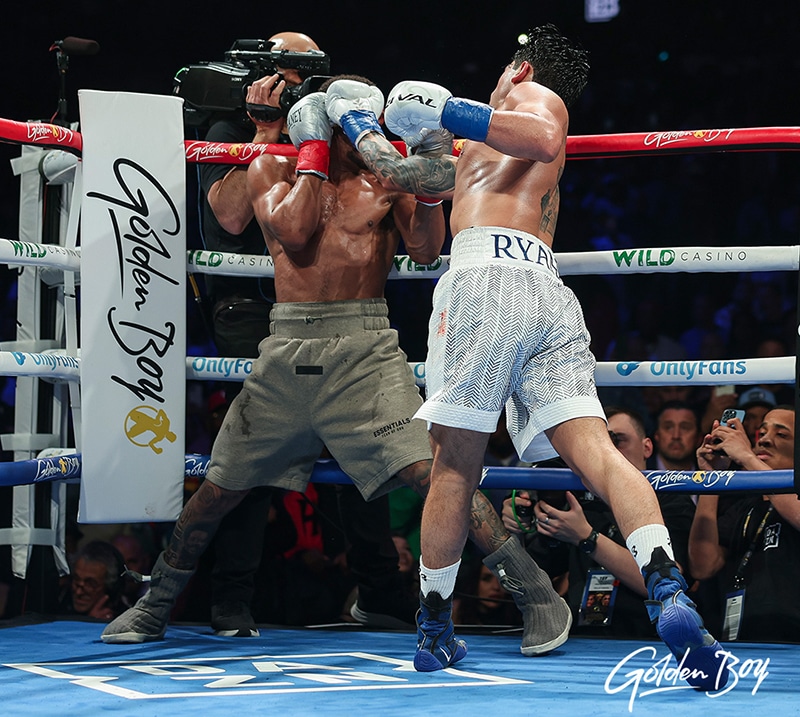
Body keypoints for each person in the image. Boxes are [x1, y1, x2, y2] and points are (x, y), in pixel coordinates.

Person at [101, 74, 570, 658]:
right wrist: (311, 152)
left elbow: (425, 249)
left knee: (436, 474)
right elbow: (294, 229)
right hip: (287, 347)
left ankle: (536, 595)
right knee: (217, 489)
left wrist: (418, 186)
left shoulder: (386, 173)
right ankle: (154, 606)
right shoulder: (274, 166)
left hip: (366, 348)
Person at [325, 24, 728, 687]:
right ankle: (666, 587)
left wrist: (448, 106)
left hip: (488, 281)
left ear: (520, 68)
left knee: (453, 461)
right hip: (540, 289)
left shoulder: (534, 102)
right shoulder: (474, 144)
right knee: (595, 450)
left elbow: (542, 137)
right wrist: (423, 162)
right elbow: (425, 244)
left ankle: (433, 625)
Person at [196, 31, 419, 635]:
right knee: (249, 463)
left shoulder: (343, 131)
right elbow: (232, 216)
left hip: (343, 315)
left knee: (363, 457)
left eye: (310, 73)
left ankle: (378, 590)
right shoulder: (232, 127)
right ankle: (230, 600)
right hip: (253, 313)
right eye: (293, 73)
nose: (303, 85)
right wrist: (265, 136)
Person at [503, 406, 696, 638]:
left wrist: (587, 538)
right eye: (603, 442)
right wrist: (519, 530)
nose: (610, 451)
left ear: (647, 447)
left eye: (618, 440)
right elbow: (534, 573)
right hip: (580, 637)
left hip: (644, 638)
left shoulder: (671, 498)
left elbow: (673, 579)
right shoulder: (580, 499)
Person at [690, 405, 800, 642]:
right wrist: (712, 479)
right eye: (762, 433)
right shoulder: (746, 503)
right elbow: (703, 565)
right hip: (741, 642)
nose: (765, 440)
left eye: (782, 434)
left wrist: (747, 458)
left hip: (792, 645)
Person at [58, 540, 125, 621]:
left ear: (110, 588)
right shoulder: (56, 608)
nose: (79, 592)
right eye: (76, 579)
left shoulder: (126, 620)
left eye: (91, 584)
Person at [648, 400, 702, 471]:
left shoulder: (710, 475)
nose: (676, 436)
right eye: (668, 428)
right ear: (657, 435)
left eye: (685, 428)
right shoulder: (639, 472)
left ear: (698, 438)